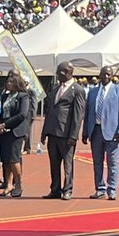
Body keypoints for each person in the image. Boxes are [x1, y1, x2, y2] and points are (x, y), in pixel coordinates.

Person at [40, 61, 86, 200]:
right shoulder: (55, 88)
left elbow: (78, 115)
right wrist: (44, 132)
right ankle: (55, 189)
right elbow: (50, 111)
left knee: (67, 164)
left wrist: (73, 135)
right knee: (54, 164)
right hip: (52, 132)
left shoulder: (77, 90)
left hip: (66, 134)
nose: (57, 74)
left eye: (59, 72)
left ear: (67, 72)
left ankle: (67, 189)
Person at [82, 65, 119, 200]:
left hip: (112, 132)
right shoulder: (93, 92)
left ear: (112, 76)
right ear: (99, 75)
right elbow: (88, 113)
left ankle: (112, 189)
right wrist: (85, 132)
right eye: (103, 74)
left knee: (113, 162)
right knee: (97, 162)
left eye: (108, 74)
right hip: (95, 131)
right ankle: (100, 188)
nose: (105, 77)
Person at [0, 71, 32, 197]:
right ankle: (8, 184)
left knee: (14, 159)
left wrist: (6, 124)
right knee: (6, 160)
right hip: (4, 131)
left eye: (11, 82)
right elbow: (0, 112)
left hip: (16, 131)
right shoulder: (5, 96)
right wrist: (0, 125)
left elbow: (22, 114)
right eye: (7, 81)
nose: (8, 84)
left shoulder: (23, 96)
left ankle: (18, 184)